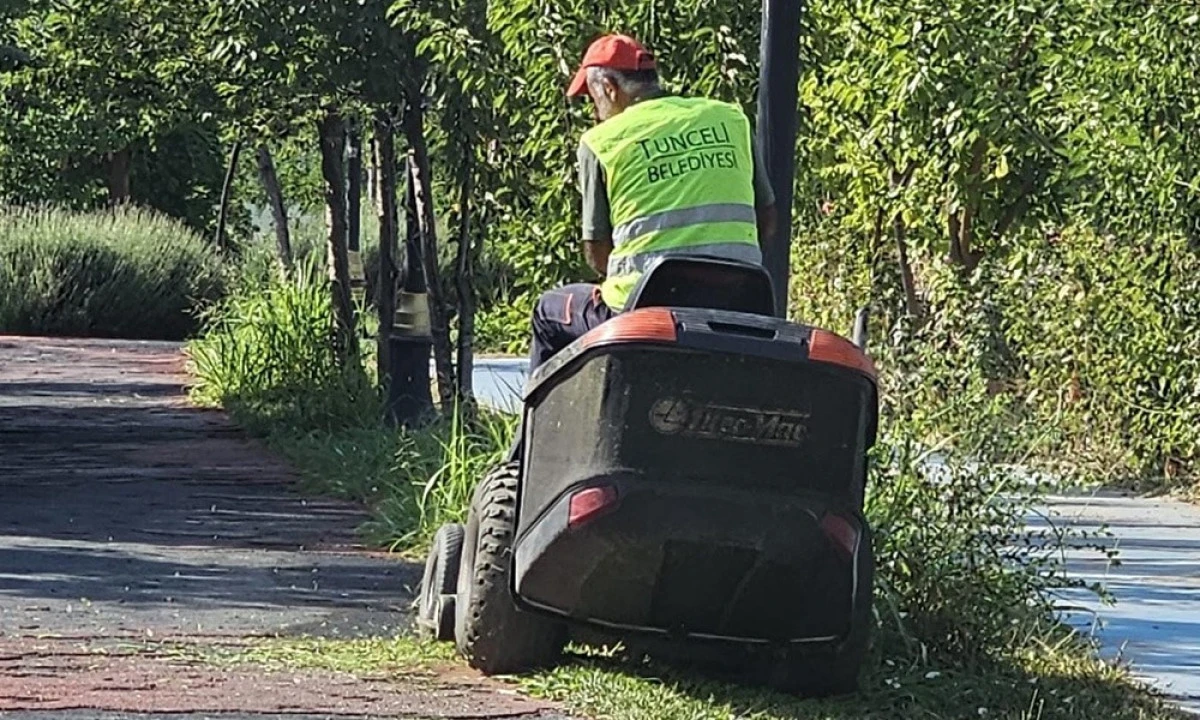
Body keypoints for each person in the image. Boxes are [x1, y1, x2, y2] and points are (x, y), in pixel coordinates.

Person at [527, 33, 778, 372]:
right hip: (742, 298)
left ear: (609, 89)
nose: (595, 113)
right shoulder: (729, 119)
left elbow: (598, 255)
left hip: (642, 309)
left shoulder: (602, 142)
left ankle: (544, 425)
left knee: (548, 311)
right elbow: (768, 220)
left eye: (593, 101)